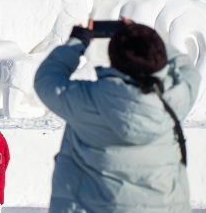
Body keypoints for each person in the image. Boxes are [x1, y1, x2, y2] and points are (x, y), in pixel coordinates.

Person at [34, 18, 201, 212]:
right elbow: (187, 68)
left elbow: (46, 80)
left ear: (112, 59)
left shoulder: (86, 100)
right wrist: (146, 38)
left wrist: (77, 42)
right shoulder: (176, 98)